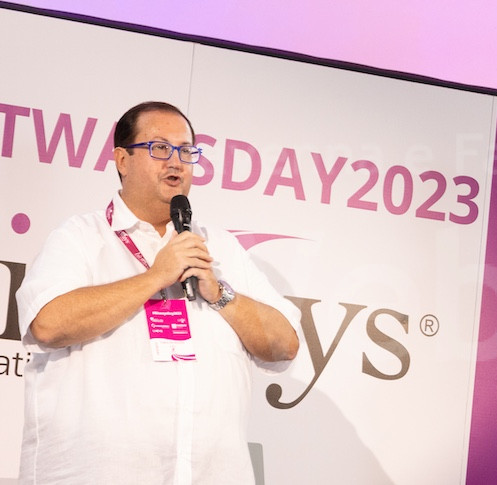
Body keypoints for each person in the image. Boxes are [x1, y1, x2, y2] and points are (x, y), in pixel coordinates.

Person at [16, 101, 301, 484]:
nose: (176, 163)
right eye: (160, 148)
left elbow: (285, 345)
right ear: (122, 160)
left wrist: (219, 292)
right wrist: (155, 277)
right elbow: (48, 324)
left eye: (186, 151)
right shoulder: (81, 237)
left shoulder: (221, 248)